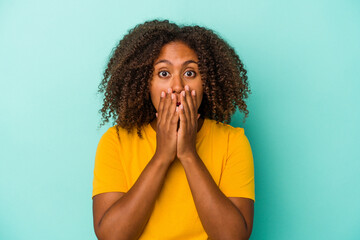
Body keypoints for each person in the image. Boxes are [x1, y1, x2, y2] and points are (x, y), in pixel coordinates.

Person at [92, 19, 255, 240]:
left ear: (206, 82)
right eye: (163, 73)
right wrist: (162, 156)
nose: (177, 86)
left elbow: (233, 237)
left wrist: (188, 154)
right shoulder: (116, 141)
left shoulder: (232, 142)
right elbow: (111, 236)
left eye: (189, 73)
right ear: (144, 83)